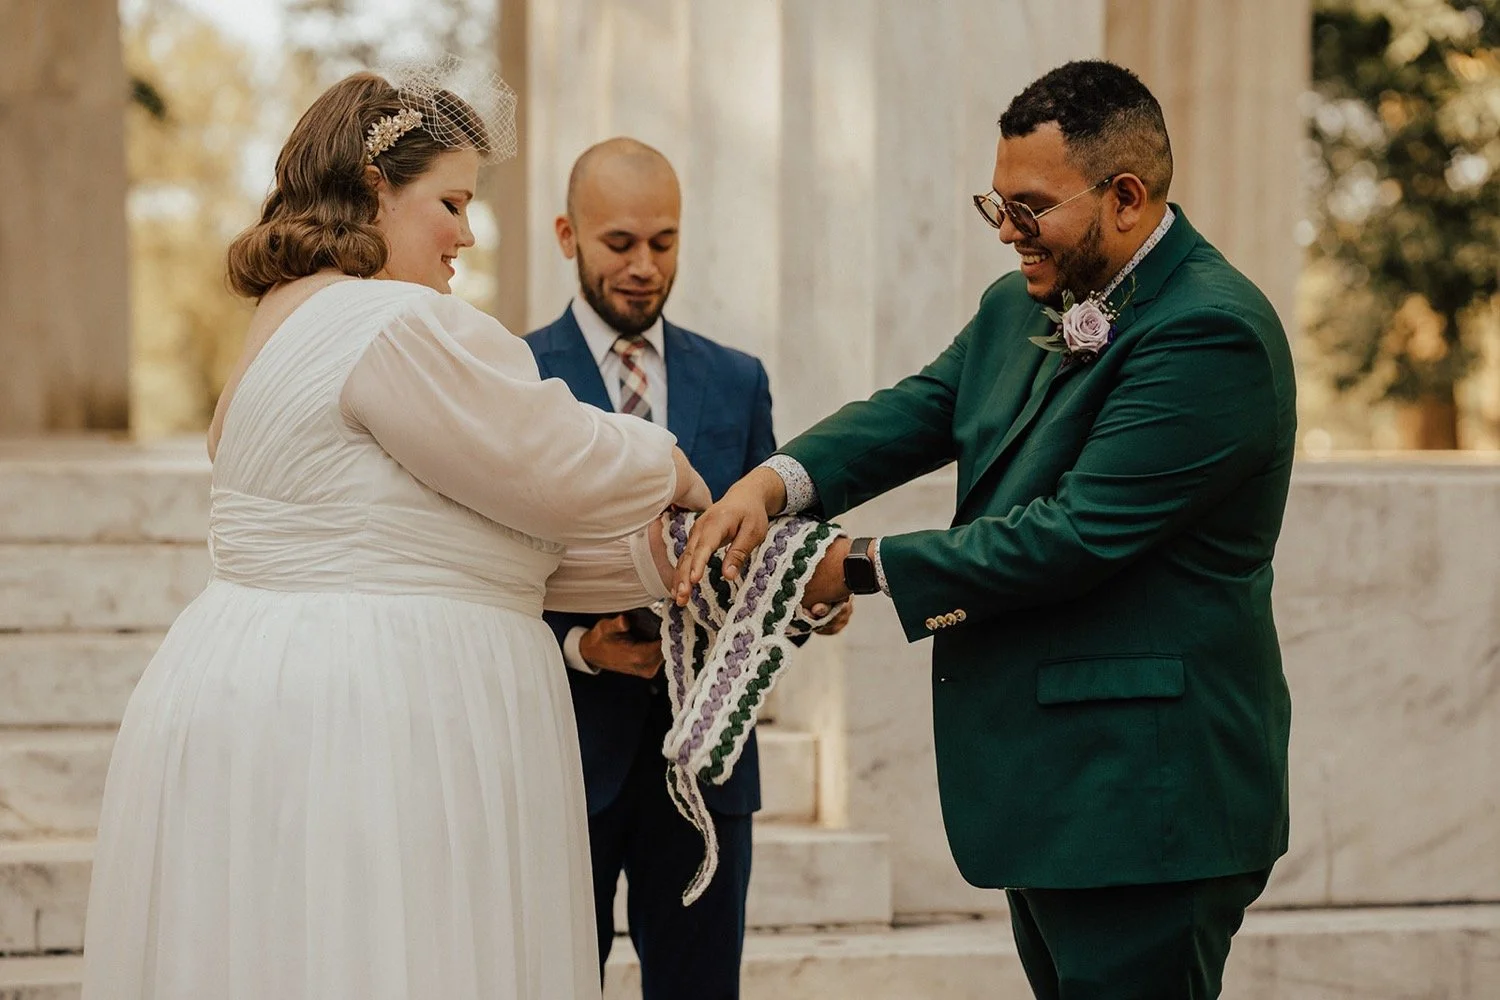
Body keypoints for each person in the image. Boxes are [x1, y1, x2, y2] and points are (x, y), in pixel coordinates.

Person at [81, 63, 710, 1000]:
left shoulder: (280, 324)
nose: (464, 232)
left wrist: (660, 562)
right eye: (451, 200)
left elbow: (436, 534)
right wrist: (672, 468)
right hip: (372, 717)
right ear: (378, 185)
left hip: (251, 692)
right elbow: (549, 459)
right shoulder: (394, 324)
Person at [675, 60, 1296, 999]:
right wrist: (772, 485)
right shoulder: (1021, 303)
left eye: (1030, 207)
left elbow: (1078, 532)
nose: (1007, 231)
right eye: (994, 203)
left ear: (1124, 198)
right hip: (1052, 790)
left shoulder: (1212, 332)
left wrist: (861, 566)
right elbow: (920, 410)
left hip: (1145, 797)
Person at [523, 137, 849, 1000]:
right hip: (563, 752)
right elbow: (488, 563)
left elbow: (776, 539)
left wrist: (809, 594)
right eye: (619, 243)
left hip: (707, 767)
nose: (643, 266)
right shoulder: (512, 375)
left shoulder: (738, 380)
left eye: (663, 243)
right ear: (567, 235)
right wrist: (579, 646)